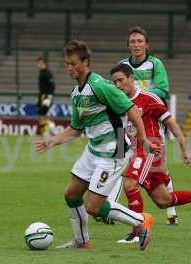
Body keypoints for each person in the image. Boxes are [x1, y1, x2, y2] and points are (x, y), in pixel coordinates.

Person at [35, 40, 161, 250]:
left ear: (86, 62)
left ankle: (141, 221)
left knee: (93, 206)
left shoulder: (100, 86)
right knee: (72, 194)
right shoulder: (77, 94)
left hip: (115, 150)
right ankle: (82, 241)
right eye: (67, 63)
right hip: (93, 150)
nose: (69, 67)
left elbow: (132, 111)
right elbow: (75, 128)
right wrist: (52, 142)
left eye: (73, 63)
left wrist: (143, 139)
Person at [110, 63, 191, 243]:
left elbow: (171, 123)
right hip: (134, 152)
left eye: (121, 80)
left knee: (129, 183)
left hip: (151, 150)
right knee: (164, 201)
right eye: (114, 82)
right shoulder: (117, 102)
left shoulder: (149, 98)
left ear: (132, 78)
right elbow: (122, 130)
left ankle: (137, 232)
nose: (117, 85)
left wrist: (185, 148)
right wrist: (121, 157)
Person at [119, 26, 178, 225]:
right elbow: (114, 89)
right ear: (128, 45)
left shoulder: (155, 64)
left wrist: (141, 96)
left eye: (139, 41)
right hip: (125, 121)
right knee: (118, 160)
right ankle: (113, 206)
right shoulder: (122, 65)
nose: (136, 45)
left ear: (146, 44)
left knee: (160, 166)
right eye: (132, 42)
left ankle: (171, 209)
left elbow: (162, 90)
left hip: (150, 120)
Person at [37, 57, 56, 136]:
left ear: (44, 64)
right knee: (42, 114)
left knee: (42, 114)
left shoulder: (47, 73)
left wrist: (49, 96)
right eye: (38, 64)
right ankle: (46, 131)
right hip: (42, 96)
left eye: (40, 63)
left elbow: (52, 85)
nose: (39, 65)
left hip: (47, 96)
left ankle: (50, 127)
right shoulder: (41, 72)